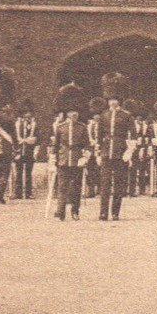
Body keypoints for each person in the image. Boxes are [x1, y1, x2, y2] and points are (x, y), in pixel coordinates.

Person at [92, 74, 138, 222]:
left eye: (115, 100)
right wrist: (98, 153)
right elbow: (99, 136)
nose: (112, 102)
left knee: (119, 185)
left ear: (119, 101)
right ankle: (103, 212)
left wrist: (129, 152)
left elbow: (133, 135)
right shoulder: (103, 116)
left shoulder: (126, 116)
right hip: (106, 152)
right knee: (104, 185)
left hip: (120, 152)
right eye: (111, 100)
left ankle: (115, 212)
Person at [50, 82, 90, 221]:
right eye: (72, 112)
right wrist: (53, 159)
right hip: (63, 158)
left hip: (77, 159)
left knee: (75, 188)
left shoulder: (82, 127)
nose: (74, 114)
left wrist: (84, 157)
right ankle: (60, 212)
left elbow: (87, 145)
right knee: (62, 187)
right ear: (67, 113)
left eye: (76, 112)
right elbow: (56, 145)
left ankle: (75, 210)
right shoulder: (60, 127)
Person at [13, 99, 39, 200]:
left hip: (29, 151)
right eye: (25, 113)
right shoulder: (17, 124)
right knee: (18, 173)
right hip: (19, 151)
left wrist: (31, 142)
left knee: (28, 173)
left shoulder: (34, 124)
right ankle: (18, 193)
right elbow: (15, 137)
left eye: (29, 113)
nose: (28, 115)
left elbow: (38, 138)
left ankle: (28, 193)